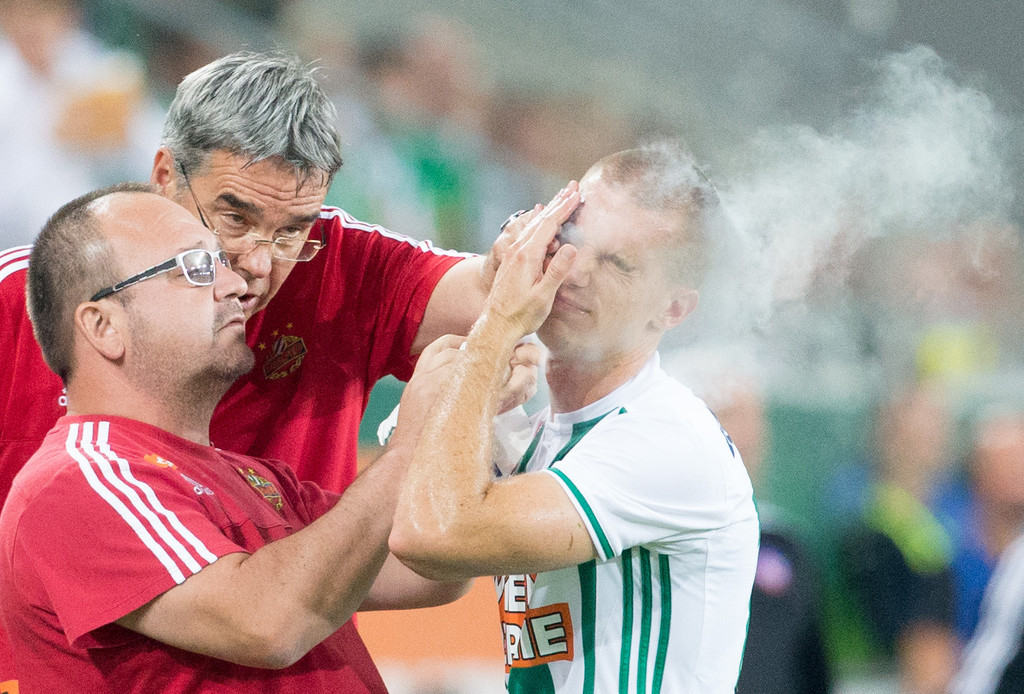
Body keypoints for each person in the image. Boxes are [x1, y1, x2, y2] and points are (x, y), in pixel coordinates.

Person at [0, 50, 512, 684]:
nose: (254, 266)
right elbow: (269, 621)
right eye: (233, 219)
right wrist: (412, 446)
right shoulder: (78, 469)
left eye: (293, 231)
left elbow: (429, 565)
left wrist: (474, 398)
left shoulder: (259, 478)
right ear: (165, 176)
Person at [389, 144, 760, 692]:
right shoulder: (533, 434)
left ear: (672, 309)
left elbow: (436, 534)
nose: (575, 269)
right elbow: (401, 572)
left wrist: (496, 327)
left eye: (618, 263)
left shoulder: (668, 439)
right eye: (572, 237)